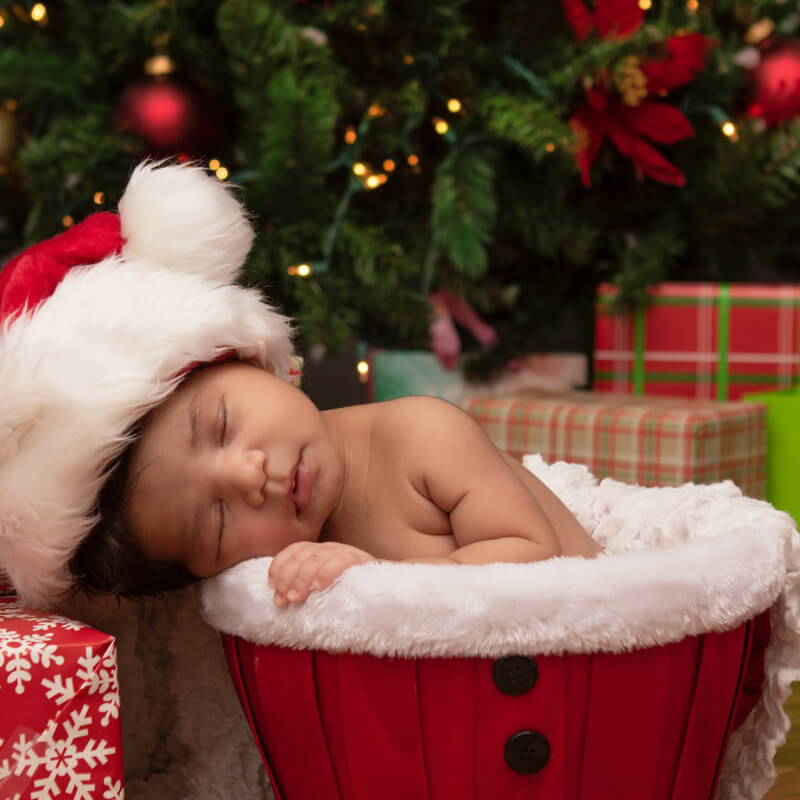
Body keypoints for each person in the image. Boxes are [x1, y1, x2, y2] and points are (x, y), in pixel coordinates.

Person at [0, 160, 597, 611]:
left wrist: (376, 579)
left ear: (240, 358)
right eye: (215, 524)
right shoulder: (294, 554)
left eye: (222, 425)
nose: (246, 477)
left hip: (592, 642)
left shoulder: (421, 433)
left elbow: (533, 559)